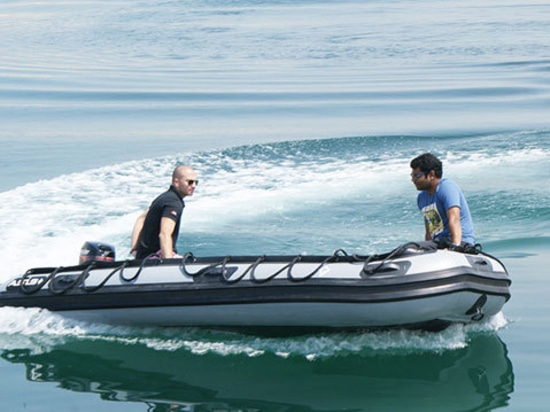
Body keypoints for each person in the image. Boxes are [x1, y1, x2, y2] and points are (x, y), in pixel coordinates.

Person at [131, 165, 198, 259]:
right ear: (176, 182)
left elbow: (141, 218)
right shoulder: (174, 203)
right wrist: (168, 264)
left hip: (144, 257)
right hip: (154, 259)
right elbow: (164, 234)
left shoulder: (164, 198)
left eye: (196, 182)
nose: (194, 186)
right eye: (190, 182)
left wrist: (135, 249)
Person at [410, 153, 475, 248]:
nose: (413, 180)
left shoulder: (446, 187)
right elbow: (429, 231)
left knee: (411, 247)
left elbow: (454, 219)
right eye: (412, 175)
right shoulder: (421, 198)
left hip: (461, 241)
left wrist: (455, 247)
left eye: (417, 176)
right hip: (438, 243)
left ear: (431, 174)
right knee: (409, 249)